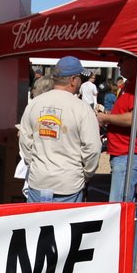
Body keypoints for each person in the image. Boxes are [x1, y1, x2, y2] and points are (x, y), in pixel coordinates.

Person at [19, 56, 102, 203]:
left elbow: (25, 141)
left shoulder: (34, 104)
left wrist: (34, 166)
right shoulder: (82, 108)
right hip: (69, 184)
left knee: (37, 218)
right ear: (73, 80)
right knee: (65, 220)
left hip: (39, 181)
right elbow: (93, 148)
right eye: (80, 78)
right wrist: (86, 174)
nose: (81, 82)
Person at [97, 55, 137, 202]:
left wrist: (106, 118)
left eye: (122, 60)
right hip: (125, 153)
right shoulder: (131, 83)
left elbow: (136, 119)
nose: (118, 64)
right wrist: (108, 116)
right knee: (122, 203)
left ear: (135, 61)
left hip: (130, 153)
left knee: (118, 204)